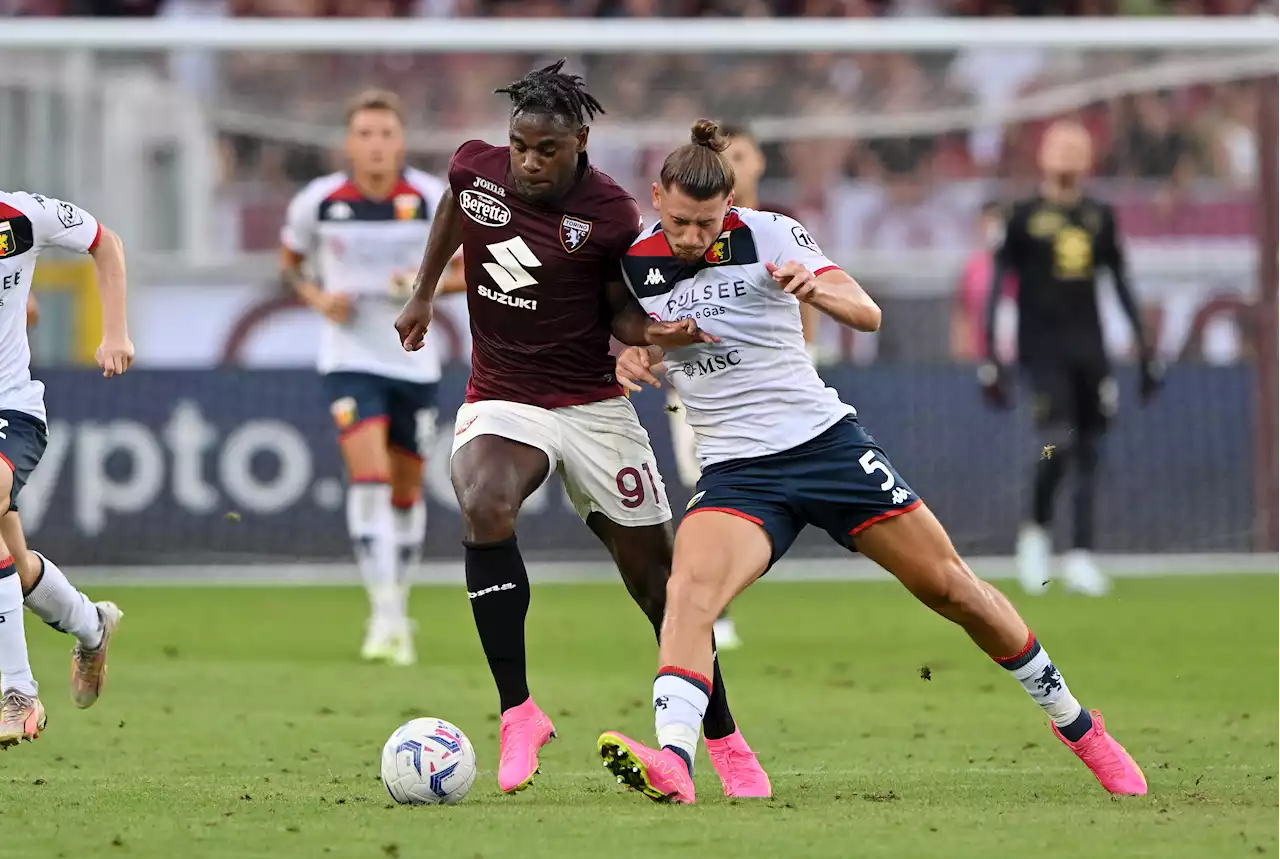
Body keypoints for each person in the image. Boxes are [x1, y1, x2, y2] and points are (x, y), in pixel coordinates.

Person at [598, 120, 1147, 805]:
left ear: (729, 205)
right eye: (679, 221)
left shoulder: (771, 234)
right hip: (738, 470)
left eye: (705, 223)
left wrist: (816, 288)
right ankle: (675, 760)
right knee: (688, 594)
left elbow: (867, 312)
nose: (690, 237)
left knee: (953, 588)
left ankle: (1081, 725)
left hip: (826, 447)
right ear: (656, 197)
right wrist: (634, 350)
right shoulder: (633, 263)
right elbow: (626, 329)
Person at [394, 61, 770, 798]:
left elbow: (617, 310)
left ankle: (723, 736)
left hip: (593, 406)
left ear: (581, 142)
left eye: (546, 150)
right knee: (484, 499)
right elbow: (454, 208)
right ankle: (518, 712)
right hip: (505, 395)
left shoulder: (610, 213)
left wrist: (652, 334)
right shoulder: (476, 166)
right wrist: (420, 294)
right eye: (520, 146)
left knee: (661, 587)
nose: (528, 162)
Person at [281, 90, 465, 666]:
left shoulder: (434, 197)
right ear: (349, 143)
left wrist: (422, 286)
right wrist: (316, 298)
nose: (375, 144)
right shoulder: (318, 201)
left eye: (385, 133)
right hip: (348, 358)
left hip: (414, 358)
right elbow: (289, 263)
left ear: (401, 141)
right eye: (364, 134)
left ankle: (398, 606)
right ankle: (383, 613)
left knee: (407, 490)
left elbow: (474, 267)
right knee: (369, 475)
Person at [979, 120, 1161, 596]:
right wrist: (990, 354)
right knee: (1056, 443)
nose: (1067, 153)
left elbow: (1119, 281)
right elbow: (999, 285)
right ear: (1042, 154)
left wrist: (1145, 348)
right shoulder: (1021, 216)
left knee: (1091, 450)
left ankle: (1080, 553)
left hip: (1091, 350)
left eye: (1077, 146)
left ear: (1089, 157)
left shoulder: (1100, 216)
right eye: (1059, 144)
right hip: (1042, 352)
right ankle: (1035, 534)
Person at [663, 124, 817, 651]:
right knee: (708, 485)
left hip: (777, 386)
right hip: (703, 391)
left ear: (756, 167)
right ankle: (714, 609)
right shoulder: (669, 244)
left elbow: (812, 294)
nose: (734, 161)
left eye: (744, 154)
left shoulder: (775, 229)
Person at [0, 190, 132, 747]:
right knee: (15, 563)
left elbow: (105, 242)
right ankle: (91, 624)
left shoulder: (20, 216)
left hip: (11, 409)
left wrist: (115, 332)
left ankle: (18, 693)